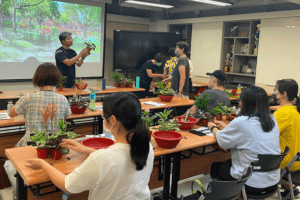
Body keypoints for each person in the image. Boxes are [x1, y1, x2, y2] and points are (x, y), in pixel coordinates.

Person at [25, 92, 154, 200]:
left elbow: (67, 186)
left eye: (104, 116)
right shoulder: (145, 146)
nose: (103, 120)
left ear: (113, 120)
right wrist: (85, 150)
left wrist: (43, 165)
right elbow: (115, 159)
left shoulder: (102, 158)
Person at [207, 86, 280, 196]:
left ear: (246, 103)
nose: (239, 103)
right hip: (272, 181)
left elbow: (221, 141)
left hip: (250, 182)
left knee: (215, 167)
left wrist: (212, 127)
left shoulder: (241, 122)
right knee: (228, 163)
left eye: (240, 100)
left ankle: (230, 196)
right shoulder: (272, 119)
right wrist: (227, 128)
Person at [9, 63, 71, 147]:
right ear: (57, 78)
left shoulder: (28, 97)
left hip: (32, 144)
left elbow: (12, 113)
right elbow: (65, 118)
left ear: (37, 78)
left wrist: (19, 101)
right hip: (55, 145)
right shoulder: (63, 99)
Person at [273, 79, 300, 196]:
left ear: (284, 94)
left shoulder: (282, 113)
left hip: (286, 162)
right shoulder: (296, 111)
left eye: (276, 90)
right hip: (296, 160)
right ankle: (290, 187)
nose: (275, 93)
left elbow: (265, 135)